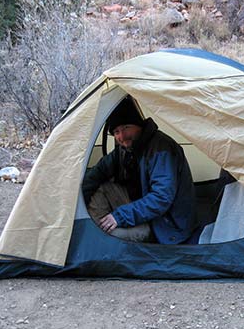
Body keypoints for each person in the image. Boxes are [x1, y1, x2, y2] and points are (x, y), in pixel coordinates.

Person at [82, 95, 197, 244]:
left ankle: (102, 233)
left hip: (166, 224)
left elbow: (161, 198)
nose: (122, 136)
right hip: (139, 206)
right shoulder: (125, 149)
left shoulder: (161, 148)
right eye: (116, 132)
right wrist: (72, 204)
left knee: (112, 237)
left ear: (139, 125)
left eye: (126, 127)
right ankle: (98, 227)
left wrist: (119, 217)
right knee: (99, 187)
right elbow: (96, 174)